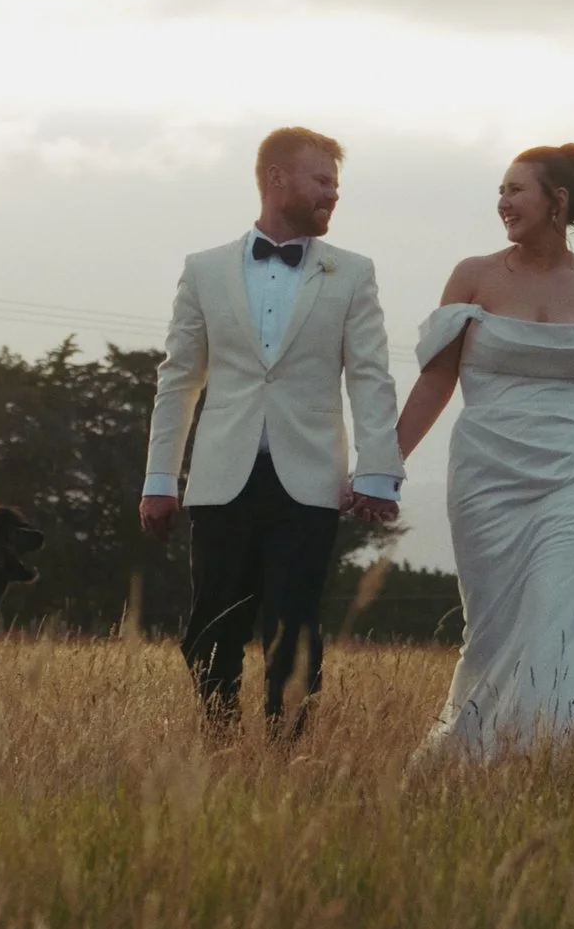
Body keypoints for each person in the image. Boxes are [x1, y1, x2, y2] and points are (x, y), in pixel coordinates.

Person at [394, 144, 574, 764]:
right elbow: (438, 380)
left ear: (557, 201)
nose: (502, 202)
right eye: (500, 190)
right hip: (487, 474)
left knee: (563, 611)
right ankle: (488, 757)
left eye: (516, 190)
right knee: (495, 628)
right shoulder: (474, 274)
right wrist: (386, 461)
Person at [141, 127, 405, 737]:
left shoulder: (354, 274)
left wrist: (377, 470)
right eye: (322, 181)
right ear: (276, 179)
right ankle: (221, 739)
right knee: (212, 625)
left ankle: (288, 753)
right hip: (219, 479)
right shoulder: (203, 270)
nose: (333, 195)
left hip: (309, 482)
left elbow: (370, 377)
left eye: (337, 185)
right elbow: (179, 379)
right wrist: (160, 476)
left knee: (295, 629)